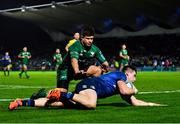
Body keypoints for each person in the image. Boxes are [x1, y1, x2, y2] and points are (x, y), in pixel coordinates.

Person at [8, 66, 165, 111]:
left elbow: (135, 103)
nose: (135, 80)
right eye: (135, 76)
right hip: (91, 85)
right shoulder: (121, 76)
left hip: (86, 89)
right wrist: (134, 90)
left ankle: (22, 102)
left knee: (60, 103)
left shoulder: (122, 82)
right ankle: (64, 93)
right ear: (129, 74)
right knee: (91, 104)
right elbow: (125, 91)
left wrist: (156, 105)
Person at [57, 26, 109, 92]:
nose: (90, 41)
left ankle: (84, 92)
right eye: (88, 38)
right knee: (61, 94)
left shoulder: (95, 49)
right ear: (82, 38)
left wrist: (106, 69)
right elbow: (74, 60)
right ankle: (44, 95)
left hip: (80, 71)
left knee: (97, 70)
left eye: (92, 39)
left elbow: (105, 63)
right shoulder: (76, 45)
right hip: (65, 70)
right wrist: (77, 71)